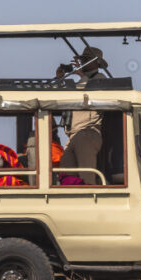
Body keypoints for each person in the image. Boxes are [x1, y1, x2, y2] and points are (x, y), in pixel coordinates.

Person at [54, 46, 107, 183]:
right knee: (66, 175)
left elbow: (89, 92)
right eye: (83, 60)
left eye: (87, 60)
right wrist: (59, 78)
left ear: (97, 63)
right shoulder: (80, 83)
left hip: (87, 133)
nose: (83, 63)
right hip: (73, 136)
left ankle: (90, 200)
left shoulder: (99, 78)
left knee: (86, 176)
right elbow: (53, 96)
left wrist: (80, 75)